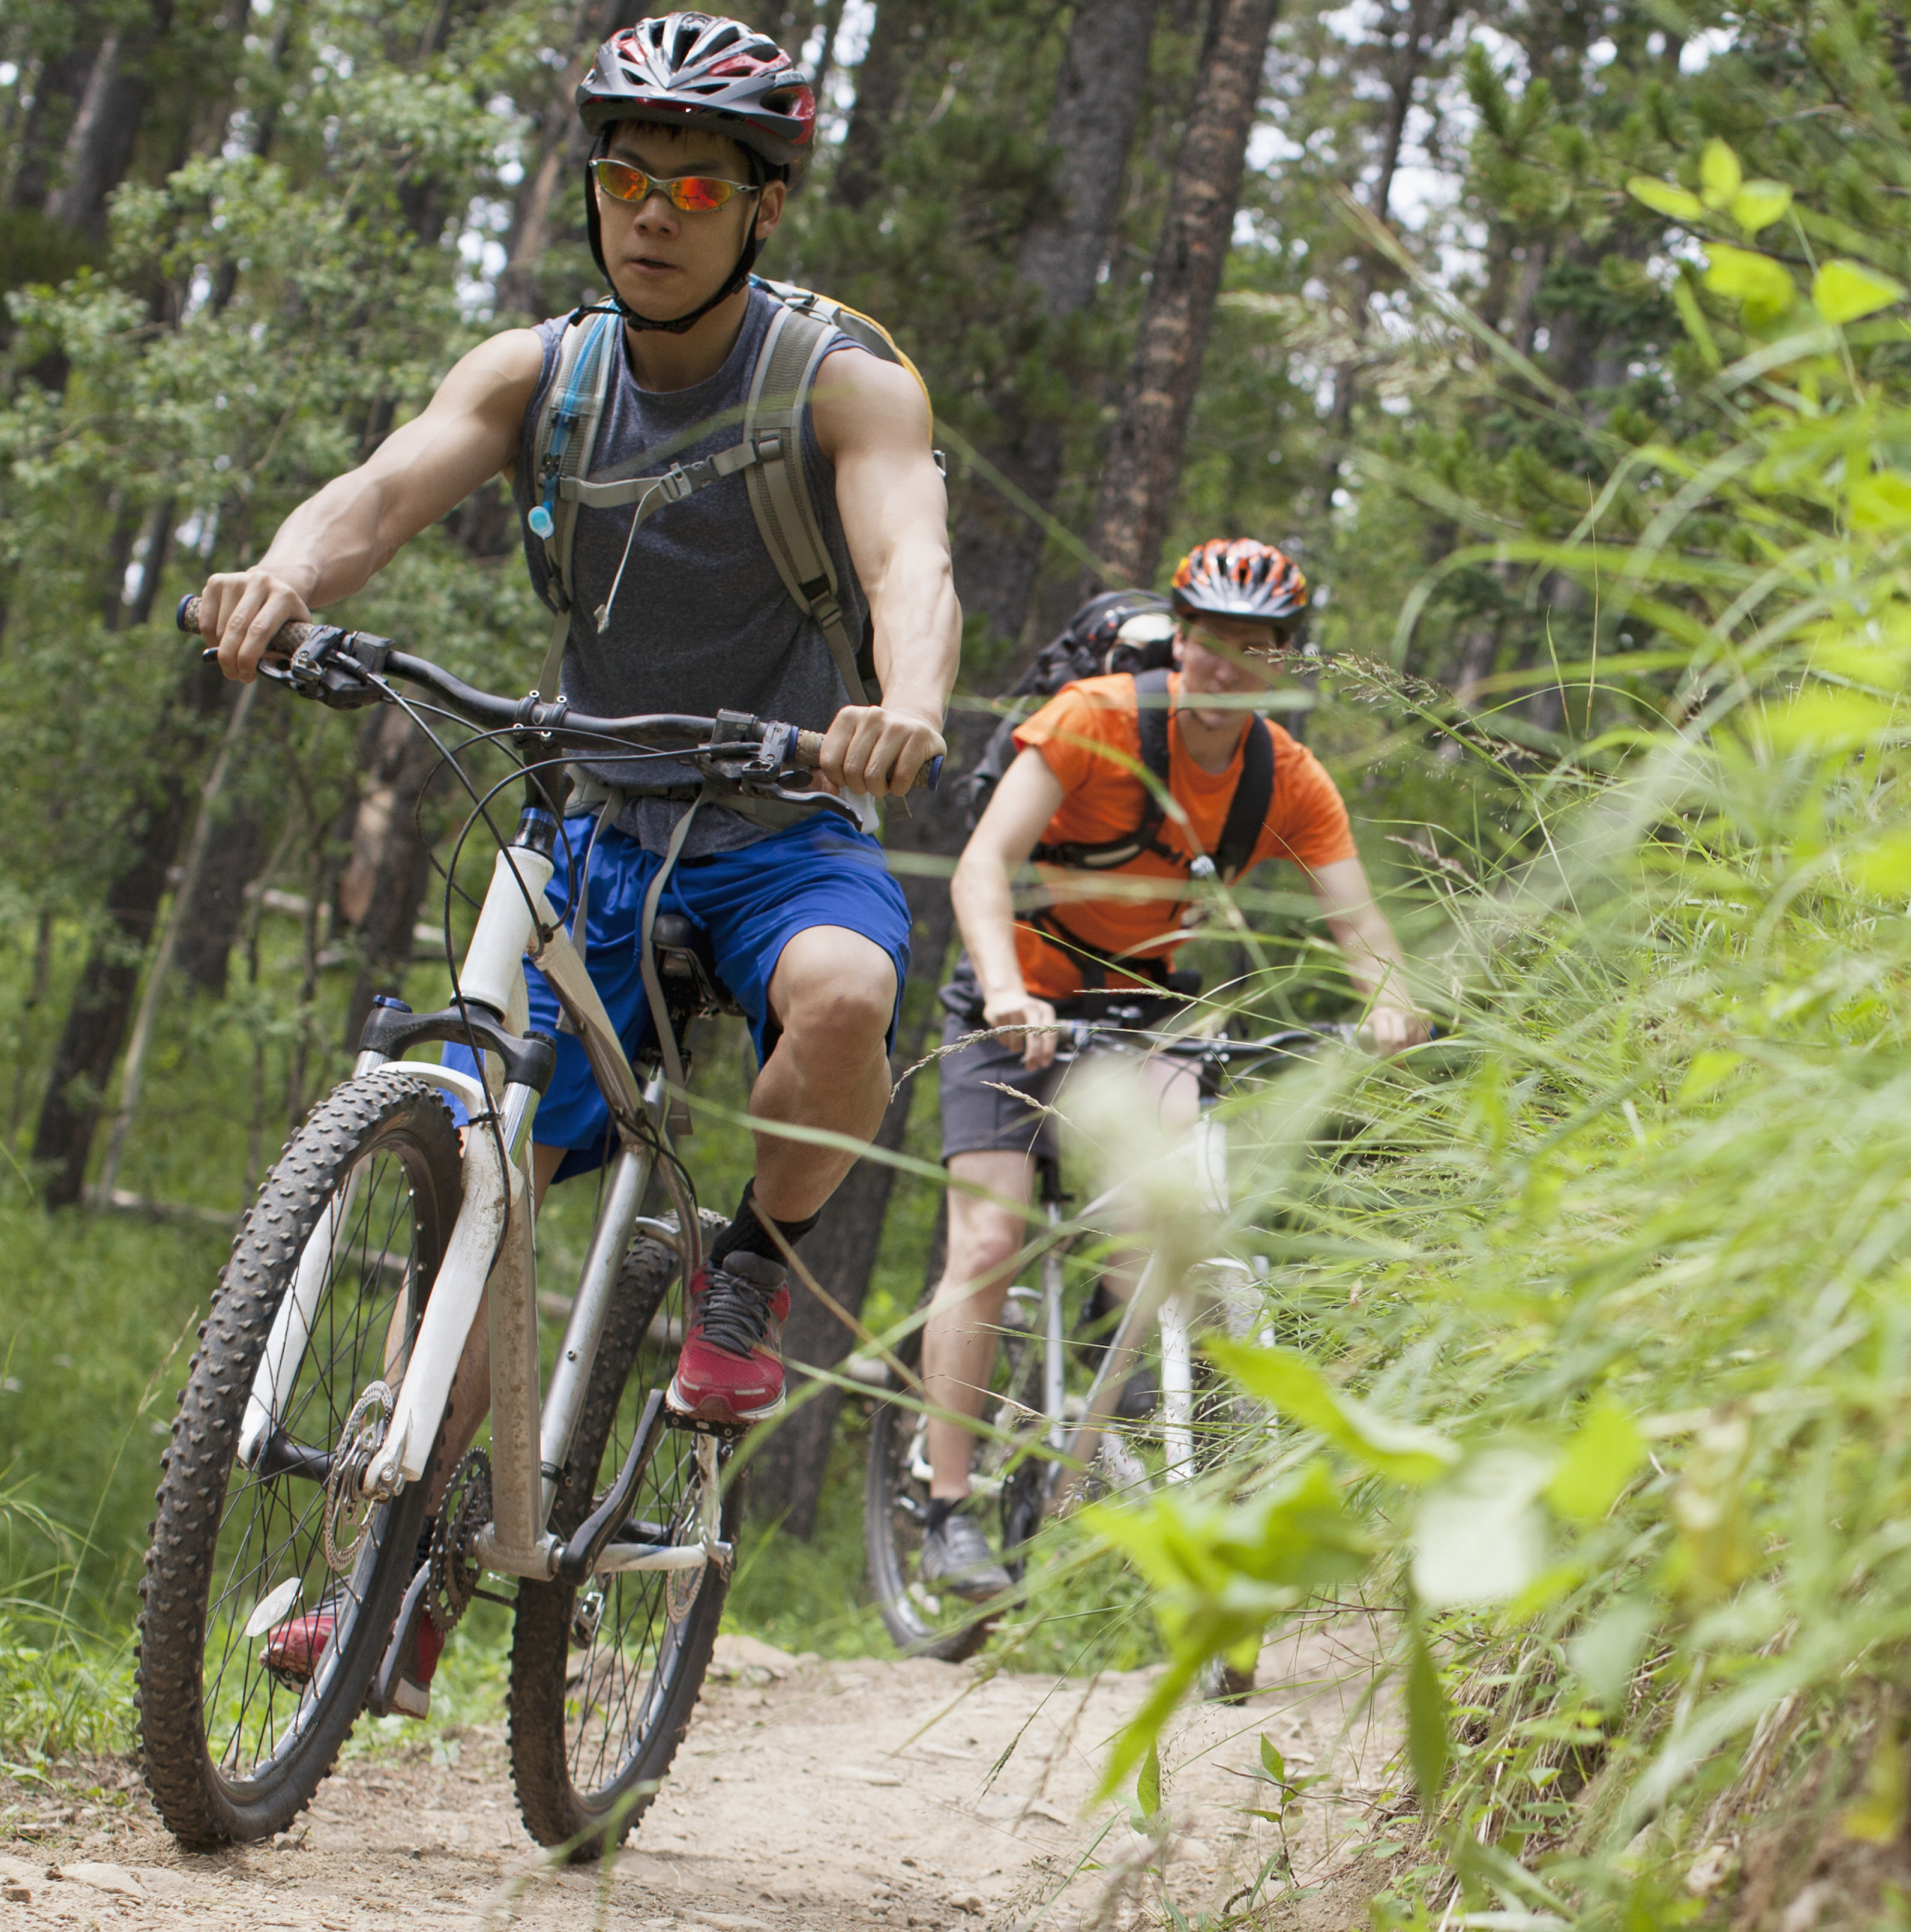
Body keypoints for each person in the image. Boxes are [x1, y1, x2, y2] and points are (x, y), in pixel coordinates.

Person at [191, 11, 954, 1707]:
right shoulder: (540, 371)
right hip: (589, 822)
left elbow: (912, 560)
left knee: (844, 997)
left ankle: (746, 1268)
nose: (653, 210)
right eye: (626, 174)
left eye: (696, 181)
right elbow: (382, 492)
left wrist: (904, 704)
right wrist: (282, 578)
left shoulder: (843, 383)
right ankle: (386, 1580)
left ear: (762, 208)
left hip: (777, 828)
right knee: (475, 1158)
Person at [912, 538, 1431, 1596]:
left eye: (1255, 647)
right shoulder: (1093, 721)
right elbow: (981, 866)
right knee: (989, 1237)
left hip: (1147, 1014)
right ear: (1179, 636)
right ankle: (948, 1508)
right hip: (1015, 1001)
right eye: (1209, 639)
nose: (1225, 665)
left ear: (1284, 658)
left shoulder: (1285, 776)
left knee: (1168, 1228)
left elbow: (1359, 921)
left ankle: (1149, 1424)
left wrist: (1389, 1002)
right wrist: (1007, 987)